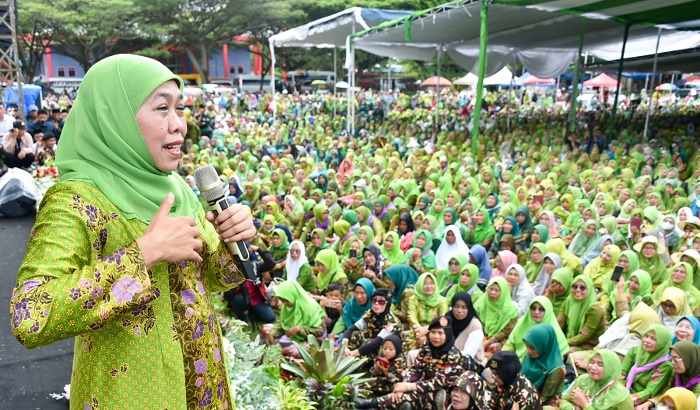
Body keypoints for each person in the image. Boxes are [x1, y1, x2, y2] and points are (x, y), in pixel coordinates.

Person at [9, 55, 256, 409]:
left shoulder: (178, 189)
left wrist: (232, 238)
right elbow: (30, 315)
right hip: (130, 396)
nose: (179, 126)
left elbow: (212, 277)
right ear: (116, 116)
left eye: (179, 108)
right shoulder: (75, 199)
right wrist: (143, 254)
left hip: (204, 390)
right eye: (161, 109)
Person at [559, 349, 634, 410]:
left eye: (600, 364)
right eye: (591, 362)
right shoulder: (583, 380)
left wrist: (585, 405)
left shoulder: (621, 397)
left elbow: (583, 404)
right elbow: (563, 400)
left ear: (611, 368)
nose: (593, 367)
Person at [621, 324, 674, 406]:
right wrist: (619, 390)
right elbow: (621, 373)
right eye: (646, 336)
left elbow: (650, 391)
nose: (647, 341)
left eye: (653, 339)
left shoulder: (664, 366)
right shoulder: (635, 351)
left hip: (640, 400)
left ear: (662, 343)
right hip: (623, 390)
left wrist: (627, 399)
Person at [503, 296, 569, 360]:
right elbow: (510, 343)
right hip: (517, 361)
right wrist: (506, 356)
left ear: (548, 311)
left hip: (540, 367)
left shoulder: (553, 329)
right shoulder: (522, 322)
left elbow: (557, 357)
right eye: (533, 308)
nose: (536, 312)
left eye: (541, 309)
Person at [558, 275, 606, 351]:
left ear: (589, 290)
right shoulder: (568, 302)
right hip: (570, 341)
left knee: (564, 351)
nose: (578, 290)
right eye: (574, 287)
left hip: (589, 345)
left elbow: (584, 336)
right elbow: (559, 324)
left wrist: (562, 343)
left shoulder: (595, 309)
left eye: (582, 288)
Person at [521, 324, 565, 406]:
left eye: (532, 348)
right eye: (527, 346)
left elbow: (544, 399)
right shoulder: (532, 356)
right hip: (523, 393)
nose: (528, 351)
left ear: (545, 345)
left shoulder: (555, 370)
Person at [475, 277, 519, 353]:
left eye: (496, 290)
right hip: (479, 336)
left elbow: (507, 332)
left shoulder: (510, 310)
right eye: (491, 289)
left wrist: (489, 341)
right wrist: (482, 337)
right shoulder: (481, 302)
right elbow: (475, 320)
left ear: (503, 292)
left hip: (498, 343)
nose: (493, 292)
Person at [446, 292, 484, 361]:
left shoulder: (475, 325)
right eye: (456, 307)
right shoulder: (447, 319)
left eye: (464, 307)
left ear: (469, 308)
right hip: (446, 358)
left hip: (469, 361)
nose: (459, 311)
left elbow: (468, 354)